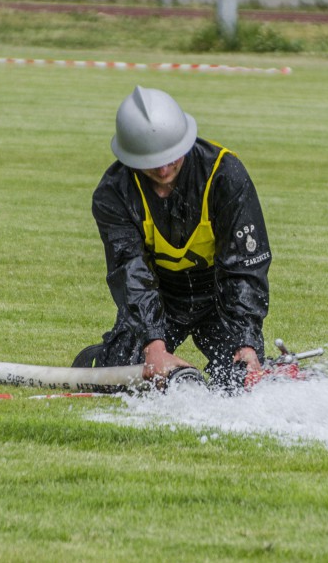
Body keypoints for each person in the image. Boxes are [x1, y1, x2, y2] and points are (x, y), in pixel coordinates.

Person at [74, 86, 272, 390]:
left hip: (219, 297)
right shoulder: (113, 193)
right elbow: (130, 271)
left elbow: (245, 268)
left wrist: (246, 343)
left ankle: (273, 368)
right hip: (161, 299)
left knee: (240, 381)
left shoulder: (225, 175)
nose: (164, 169)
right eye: (151, 162)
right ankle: (104, 358)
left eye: (170, 157)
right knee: (120, 378)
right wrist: (154, 346)